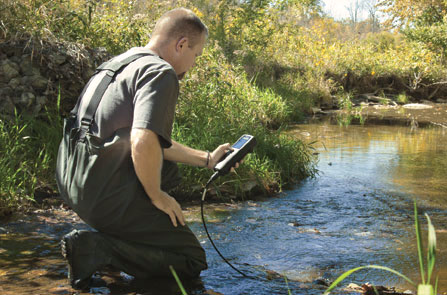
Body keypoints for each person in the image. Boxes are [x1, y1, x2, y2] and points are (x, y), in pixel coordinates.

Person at [56, 8, 237, 290]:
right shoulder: (161, 72)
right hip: (102, 193)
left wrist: (208, 159)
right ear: (181, 45)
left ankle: (116, 242)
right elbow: (143, 140)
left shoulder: (119, 63)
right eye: (196, 54)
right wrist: (157, 195)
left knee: (166, 168)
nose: (193, 63)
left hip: (72, 183)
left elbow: (141, 138)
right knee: (190, 260)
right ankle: (99, 249)